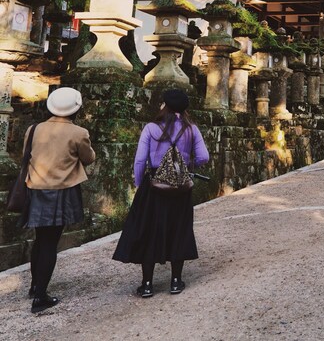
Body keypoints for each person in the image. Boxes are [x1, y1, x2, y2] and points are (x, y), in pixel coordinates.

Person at [113, 89, 209, 298]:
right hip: (180, 186)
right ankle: (176, 281)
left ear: (164, 105)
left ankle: (147, 284)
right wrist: (185, 164)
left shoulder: (151, 128)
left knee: (149, 231)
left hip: (154, 185)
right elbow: (204, 157)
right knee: (179, 229)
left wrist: (141, 184)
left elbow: (140, 160)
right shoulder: (191, 129)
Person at [21, 87, 95, 313]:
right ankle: (41, 295)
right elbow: (88, 158)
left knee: (40, 239)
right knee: (50, 243)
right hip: (62, 190)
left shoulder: (34, 129)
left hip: (35, 187)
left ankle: (35, 286)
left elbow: (25, 154)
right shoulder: (78, 132)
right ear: (76, 109)